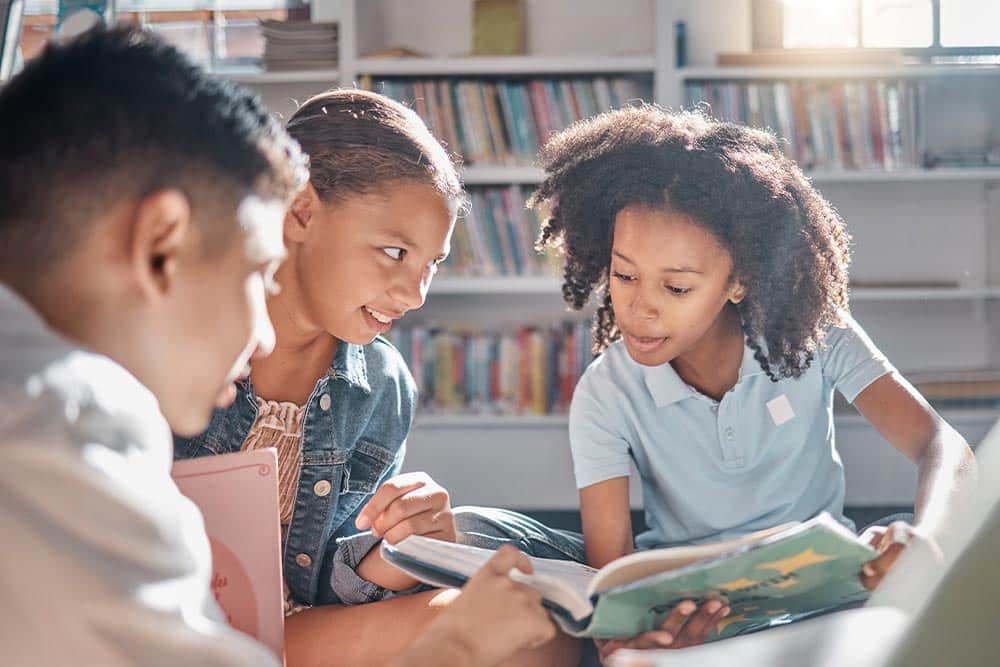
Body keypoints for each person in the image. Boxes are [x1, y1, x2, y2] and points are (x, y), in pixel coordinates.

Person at [0, 26, 564, 667]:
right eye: (253, 272)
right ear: (160, 243)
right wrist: (451, 649)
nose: (261, 336)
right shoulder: (69, 425)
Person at [527, 105, 977, 662]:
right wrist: (632, 635)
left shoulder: (814, 332)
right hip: (693, 610)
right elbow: (610, 579)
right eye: (624, 276)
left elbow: (941, 445)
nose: (639, 308)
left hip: (827, 593)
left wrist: (928, 536)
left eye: (676, 288)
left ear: (737, 281)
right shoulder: (605, 392)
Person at [173, 88, 584, 666]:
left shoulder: (383, 385)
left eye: (431, 265)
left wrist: (396, 548)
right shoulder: (174, 342)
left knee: (537, 625)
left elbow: (328, 587)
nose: (414, 294)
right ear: (301, 213)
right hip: (172, 630)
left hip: (302, 630)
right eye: (394, 252)